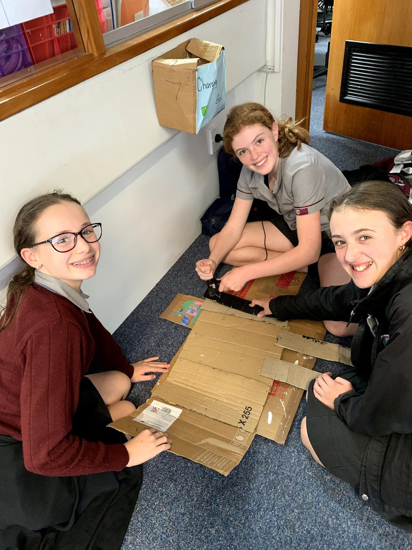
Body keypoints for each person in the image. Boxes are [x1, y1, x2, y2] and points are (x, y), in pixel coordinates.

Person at [0, 192, 172, 550]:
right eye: (62, 240)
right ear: (32, 256)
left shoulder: (42, 286)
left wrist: (126, 368)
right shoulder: (55, 327)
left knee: (120, 385)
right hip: (19, 444)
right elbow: (44, 456)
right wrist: (128, 455)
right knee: (125, 418)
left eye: (86, 231)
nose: (83, 246)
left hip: (25, 404)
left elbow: (91, 325)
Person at [251, 180, 412, 529]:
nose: (350, 256)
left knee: (310, 428)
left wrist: (344, 403)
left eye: (364, 236)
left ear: (404, 232)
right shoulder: (395, 271)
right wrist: (278, 305)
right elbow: (337, 299)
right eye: (340, 242)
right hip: (398, 399)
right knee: (327, 387)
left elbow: (378, 415)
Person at [196, 102, 353, 336]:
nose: (254, 156)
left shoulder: (302, 168)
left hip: (335, 237)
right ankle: (302, 264)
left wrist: (246, 273)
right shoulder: (249, 171)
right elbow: (234, 227)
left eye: (259, 141)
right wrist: (213, 261)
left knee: (338, 326)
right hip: (297, 223)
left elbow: (311, 249)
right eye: (243, 152)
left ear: (275, 131)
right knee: (217, 244)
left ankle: (307, 263)